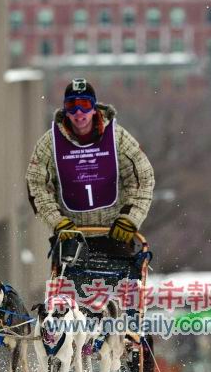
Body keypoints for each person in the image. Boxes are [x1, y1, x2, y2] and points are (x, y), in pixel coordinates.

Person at [26, 78, 155, 247]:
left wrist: (130, 219)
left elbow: (142, 177)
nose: (79, 113)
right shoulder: (50, 143)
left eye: (84, 105)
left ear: (94, 109)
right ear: (65, 110)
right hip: (71, 237)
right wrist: (57, 222)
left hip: (116, 234)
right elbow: (37, 185)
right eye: (72, 106)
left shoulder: (117, 137)